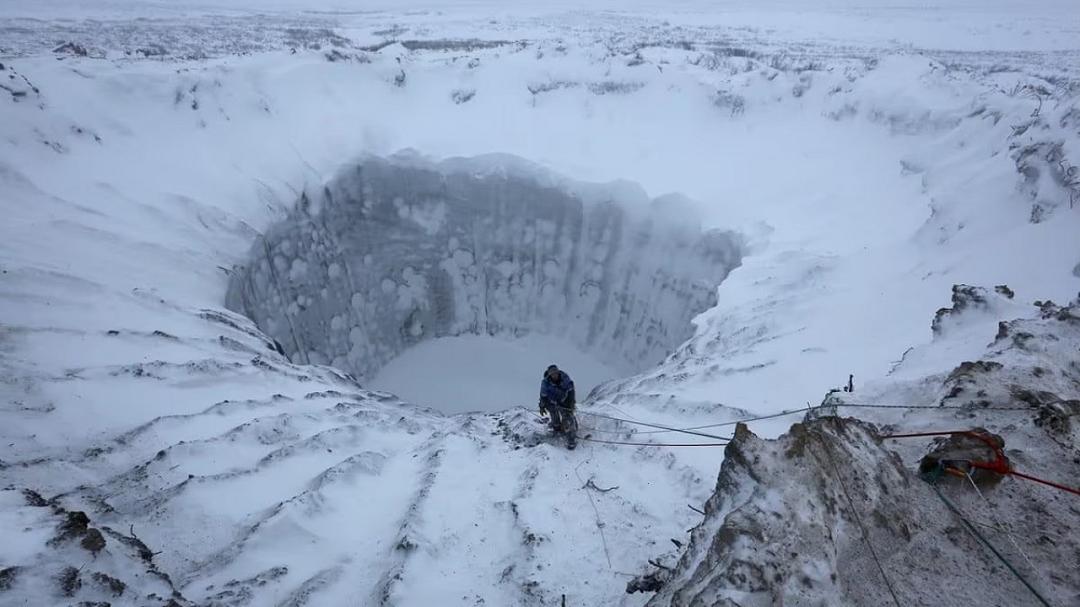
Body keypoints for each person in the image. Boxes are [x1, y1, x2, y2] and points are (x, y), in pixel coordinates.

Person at [539, 364, 577, 448]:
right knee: (554, 415)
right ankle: (557, 428)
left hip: (565, 400)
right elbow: (543, 395)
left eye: (555, 373)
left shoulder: (565, 379)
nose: (554, 375)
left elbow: (571, 391)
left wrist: (571, 403)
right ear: (549, 375)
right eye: (552, 374)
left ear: (558, 372)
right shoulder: (545, 383)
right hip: (552, 401)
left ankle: (571, 437)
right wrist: (542, 406)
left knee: (567, 416)